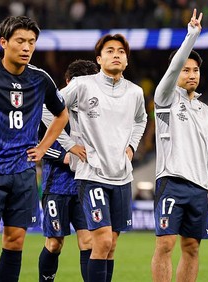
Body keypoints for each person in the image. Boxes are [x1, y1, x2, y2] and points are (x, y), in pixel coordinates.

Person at [0, 16, 69, 282]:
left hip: (24, 173)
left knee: (14, 242)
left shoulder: (40, 78)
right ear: (3, 43)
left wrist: (43, 146)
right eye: (20, 41)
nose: (27, 47)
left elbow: (62, 115)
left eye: (32, 42)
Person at [58, 33, 147, 282]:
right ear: (99, 58)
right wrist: (69, 145)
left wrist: (132, 145)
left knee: (111, 245)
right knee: (103, 240)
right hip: (92, 174)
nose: (116, 54)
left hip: (121, 176)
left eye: (121, 51)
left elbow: (142, 119)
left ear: (127, 61)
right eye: (109, 50)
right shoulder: (83, 84)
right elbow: (48, 107)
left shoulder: (135, 92)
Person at [150, 9, 208, 282]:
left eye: (195, 70)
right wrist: (192, 36)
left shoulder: (207, 112)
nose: (191, 74)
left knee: (192, 248)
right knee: (165, 244)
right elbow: (172, 69)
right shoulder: (165, 97)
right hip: (172, 181)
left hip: (198, 188)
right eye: (185, 69)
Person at [38, 59, 99, 282]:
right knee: (55, 244)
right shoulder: (52, 110)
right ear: (67, 83)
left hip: (85, 185)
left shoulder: (95, 111)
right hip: (57, 187)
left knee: (88, 242)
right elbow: (34, 147)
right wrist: (63, 156)